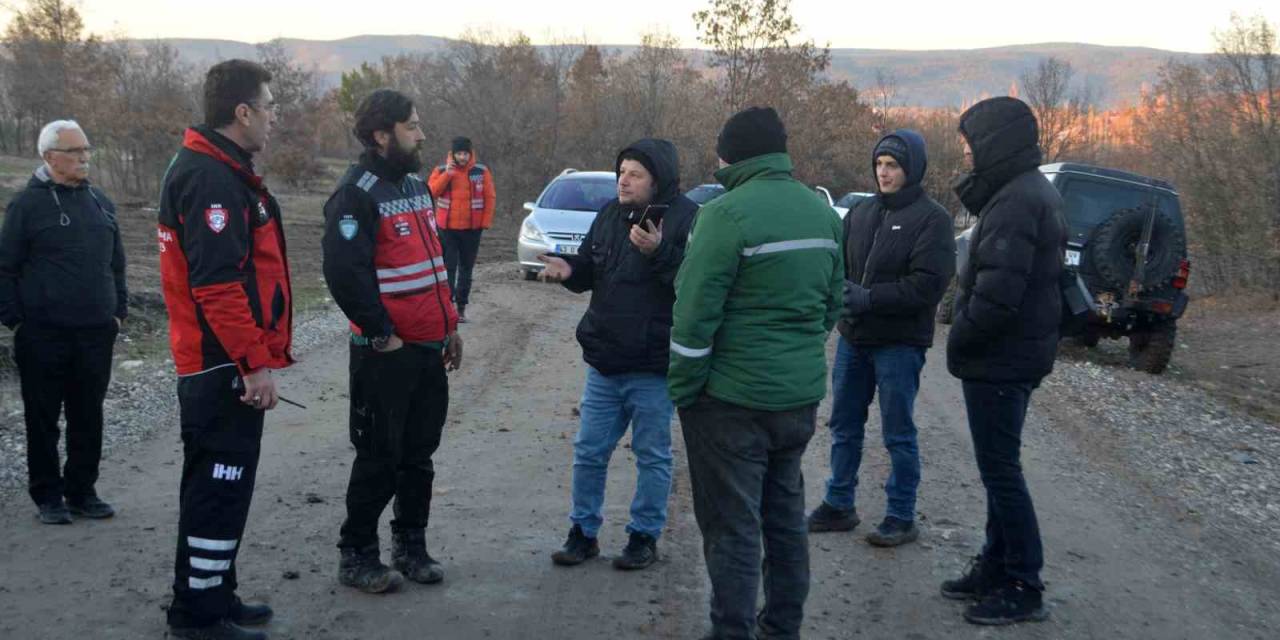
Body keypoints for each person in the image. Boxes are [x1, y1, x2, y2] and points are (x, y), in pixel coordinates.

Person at [668, 107, 843, 640]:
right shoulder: (822, 214)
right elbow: (831, 306)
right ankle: (782, 627)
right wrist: (794, 357)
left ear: (732, 155)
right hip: (796, 400)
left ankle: (732, 630)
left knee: (732, 527)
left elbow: (693, 316)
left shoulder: (724, 215)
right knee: (785, 518)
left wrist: (684, 389)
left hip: (729, 402)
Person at [157, 59, 291, 640]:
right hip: (220, 365)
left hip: (218, 361)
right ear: (242, 112)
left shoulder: (220, 169)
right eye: (269, 107)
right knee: (218, 488)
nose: (274, 118)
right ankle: (198, 617)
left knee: (220, 488)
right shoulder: (210, 177)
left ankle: (215, 594)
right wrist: (253, 363)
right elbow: (217, 285)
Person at [322, 89, 463, 594]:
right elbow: (344, 274)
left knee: (419, 455)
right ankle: (357, 554)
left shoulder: (416, 186)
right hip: (385, 353)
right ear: (382, 135)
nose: (422, 135)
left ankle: (411, 546)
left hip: (428, 347)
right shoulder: (354, 194)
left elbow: (433, 264)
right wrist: (381, 334)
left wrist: (449, 326)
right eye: (412, 126)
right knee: (379, 456)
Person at [537, 138, 697, 570]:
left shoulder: (688, 219)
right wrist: (569, 270)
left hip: (653, 366)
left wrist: (658, 252)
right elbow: (589, 267)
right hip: (605, 360)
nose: (623, 181)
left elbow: (695, 283)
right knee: (589, 451)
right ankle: (582, 533)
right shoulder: (610, 214)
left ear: (658, 180)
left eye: (635, 174)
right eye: (621, 172)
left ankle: (643, 537)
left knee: (652, 456)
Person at [941, 96, 1065, 626]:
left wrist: (960, 339)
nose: (967, 154)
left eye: (971, 144)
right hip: (1015, 355)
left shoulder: (1018, 200)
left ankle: (1023, 583)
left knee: (1001, 472)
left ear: (995, 142)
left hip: (1002, 358)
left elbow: (997, 295)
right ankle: (995, 565)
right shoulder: (1024, 190)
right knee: (999, 468)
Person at [808, 129, 955, 547]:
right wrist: (841, 294)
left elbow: (928, 286)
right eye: (879, 164)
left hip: (899, 344)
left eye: (893, 166)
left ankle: (901, 515)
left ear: (912, 169)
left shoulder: (933, 219)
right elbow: (838, 264)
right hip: (853, 338)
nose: (884, 173)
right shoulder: (860, 212)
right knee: (843, 424)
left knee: (897, 432)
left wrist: (870, 298)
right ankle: (839, 503)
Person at [0, 119, 127, 525]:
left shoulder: (100, 202)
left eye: (87, 149)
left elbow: (117, 263)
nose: (85, 157)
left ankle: (82, 491)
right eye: (75, 151)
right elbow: (5, 268)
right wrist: (16, 321)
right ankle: (48, 496)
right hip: (43, 334)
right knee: (42, 419)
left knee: (88, 415)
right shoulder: (26, 206)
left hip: (96, 332)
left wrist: (118, 312)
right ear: (49, 156)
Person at [428, 136, 495, 322]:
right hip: (447, 229)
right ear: (453, 154)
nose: (463, 157)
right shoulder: (441, 170)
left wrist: (485, 222)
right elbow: (431, 192)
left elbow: (490, 198)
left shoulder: (481, 172)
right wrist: (447, 175)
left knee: (466, 268)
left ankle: (461, 308)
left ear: (470, 153)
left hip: (472, 229)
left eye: (465, 153)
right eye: (459, 153)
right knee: (448, 268)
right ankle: (448, 306)